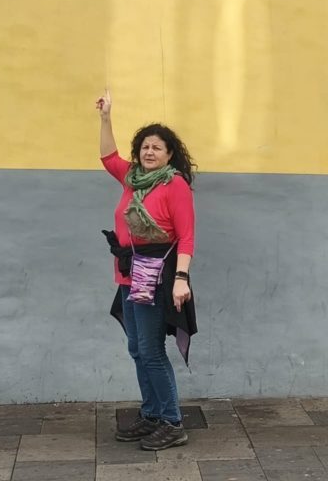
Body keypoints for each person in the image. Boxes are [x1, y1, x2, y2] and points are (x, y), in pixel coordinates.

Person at [96, 88, 196, 451]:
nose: (149, 152)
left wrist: (181, 279)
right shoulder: (132, 177)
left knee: (152, 350)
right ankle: (152, 413)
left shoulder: (175, 185)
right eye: (144, 147)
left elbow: (186, 237)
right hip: (129, 273)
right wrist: (106, 118)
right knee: (137, 348)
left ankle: (172, 421)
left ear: (169, 154)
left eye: (157, 147)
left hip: (156, 275)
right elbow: (108, 157)